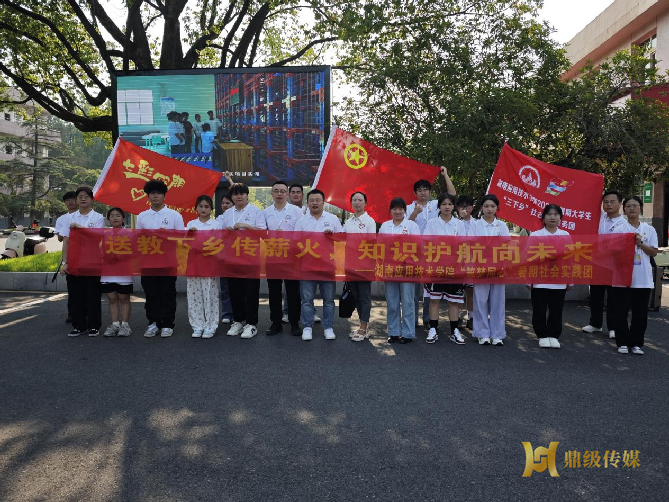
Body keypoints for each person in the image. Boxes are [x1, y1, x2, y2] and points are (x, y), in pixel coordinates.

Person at [406, 167, 456, 328]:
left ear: (429, 192)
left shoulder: (435, 205)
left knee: (429, 290)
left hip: (433, 253)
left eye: (425, 190)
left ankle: (428, 319)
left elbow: (452, 195)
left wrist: (445, 175)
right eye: (419, 190)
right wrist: (414, 213)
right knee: (414, 290)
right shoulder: (409, 207)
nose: (423, 193)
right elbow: (405, 226)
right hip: (414, 252)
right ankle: (412, 320)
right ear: (415, 192)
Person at [136, 180, 185, 338]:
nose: (155, 196)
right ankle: (153, 323)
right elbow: (138, 238)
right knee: (151, 293)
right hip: (147, 261)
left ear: (164, 196)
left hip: (168, 261)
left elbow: (181, 238)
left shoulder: (174, 215)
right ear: (148, 196)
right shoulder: (142, 216)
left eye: (159, 193)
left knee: (167, 293)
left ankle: (167, 323)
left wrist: (167, 235)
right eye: (152, 193)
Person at [610, 196, 658, 355]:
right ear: (624, 209)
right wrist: (627, 243)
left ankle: (636, 343)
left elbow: (654, 252)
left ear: (640, 208)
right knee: (621, 312)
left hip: (643, 278)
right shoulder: (619, 229)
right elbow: (612, 252)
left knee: (640, 313)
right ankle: (622, 342)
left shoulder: (649, 229)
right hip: (622, 278)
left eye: (635, 205)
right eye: (628, 206)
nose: (632, 208)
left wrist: (640, 244)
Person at [294, 189, 343, 341]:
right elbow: (295, 242)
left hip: (327, 266)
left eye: (317, 200)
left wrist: (332, 236)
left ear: (323, 202)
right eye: (311, 200)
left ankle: (328, 327)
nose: (314, 203)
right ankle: (307, 327)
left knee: (328, 300)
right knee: (306, 300)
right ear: (307, 203)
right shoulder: (302, 221)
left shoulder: (332, 219)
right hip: (307, 267)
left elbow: (342, 239)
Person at [220, 182, 267, 339]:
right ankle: (238, 321)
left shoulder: (256, 211)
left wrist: (247, 226)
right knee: (235, 291)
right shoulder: (227, 213)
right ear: (232, 197)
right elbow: (220, 235)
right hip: (232, 258)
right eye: (235, 194)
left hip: (250, 257)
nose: (239, 196)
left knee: (251, 291)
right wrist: (226, 231)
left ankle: (251, 324)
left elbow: (263, 233)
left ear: (247, 195)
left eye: (242, 193)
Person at [59, 186, 105, 337]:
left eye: (86, 196)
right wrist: (65, 262)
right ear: (77, 200)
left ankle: (94, 325)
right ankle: (79, 326)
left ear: (92, 199)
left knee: (93, 296)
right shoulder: (69, 218)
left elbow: (97, 237)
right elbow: (66, 241)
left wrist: (80, 228)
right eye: (80, 196)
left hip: (92, 262)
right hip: (75, 262)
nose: (83, 198)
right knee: (76, 296)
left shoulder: (98, 217)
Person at [423, 193, 467, 345]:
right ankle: (433, 329)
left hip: (454, 268)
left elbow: (463, 245)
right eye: (444, 204)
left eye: (449, 204)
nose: (447, 207)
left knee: (453, 301)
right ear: (439, 206)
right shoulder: (432, 223)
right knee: (434, 299)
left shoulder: (459, 224)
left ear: (454, 206)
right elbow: (426, 243)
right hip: (436, 267)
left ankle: (454, 331)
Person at [582, 191, 626, 339]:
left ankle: (613, 327)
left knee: (613, 298)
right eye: (605, 202)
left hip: (615, 266)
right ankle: (595, 323)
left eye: (612, 202)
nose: (608, 205)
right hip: (596, 264)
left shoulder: (624, 224)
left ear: (620, 203)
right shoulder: (599, 218)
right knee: (596, 296)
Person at [263, 181, 304, 336]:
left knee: (293, 291)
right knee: (274, 291)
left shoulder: (296, 211)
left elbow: (303, 231)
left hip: (292, 256)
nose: (279, 194)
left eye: (282, 191)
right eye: (276, 191)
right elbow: (261, 232)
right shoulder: (266, 212)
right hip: (272, 256)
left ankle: (294, 323)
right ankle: (276, 323)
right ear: (271, 194)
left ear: (287, 194)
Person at [527, 204, 571, 349]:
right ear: (543, 217)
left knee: (556, 310)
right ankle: (542, 335)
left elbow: (570, 259)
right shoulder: (536, 235)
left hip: (559, 280)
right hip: (540, 280)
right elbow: (528, 258)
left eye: (556, 214)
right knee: (539, 310)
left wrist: (570, 280)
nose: (552, 217)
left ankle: (553, 335)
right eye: (549, 214)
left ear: (560, 218)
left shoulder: (565, 235)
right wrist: (528, 279)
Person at [471, 194, 509, 346]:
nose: (489, 209)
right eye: (486, 206)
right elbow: (470, 246)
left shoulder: (502, 226)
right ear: (481, 207)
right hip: (480, 267)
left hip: (498, 268)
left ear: (497, 208)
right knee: (480, 301)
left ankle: (497, 334)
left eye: (492, 206)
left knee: (498, 301)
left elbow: (507, 247)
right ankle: (482, 333)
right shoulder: (475, 225)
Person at [380, 197, 420, 344]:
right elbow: (380, 246)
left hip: (407, 269)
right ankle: (393, 332)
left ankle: (408, 333)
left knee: (408, 302)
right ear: (390, 210)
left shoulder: (411, 225)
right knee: (392, 302)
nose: (397, 211)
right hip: (390, 269)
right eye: (394, 208)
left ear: (405, 210)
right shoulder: (385, 226)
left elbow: (418, 246)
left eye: (400, 208)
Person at [343, 191, 376, 342]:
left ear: (365, 203)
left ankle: (364, 326)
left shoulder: (369, 221)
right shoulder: (348, 221)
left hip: (364, 265)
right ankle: (362, 325)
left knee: (364, 296)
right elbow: (342, 239)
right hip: (350, 263)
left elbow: (371, 243)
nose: (357, 203)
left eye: (360, 200)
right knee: (355, 295)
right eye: (354, 200)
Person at [185, 195, 220, 338]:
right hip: (194, 264)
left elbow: (220, 244)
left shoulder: (216, 225)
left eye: (206, 206)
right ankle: (197, 325)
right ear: (196, 208)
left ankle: (211, 326)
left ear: (211, 209)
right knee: (194, 296)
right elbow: (184, 244)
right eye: (201, 206)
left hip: (210, 264)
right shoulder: (191, 224)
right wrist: (190, 234)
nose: (203, 209)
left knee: (210, 296)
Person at [101, 208, 133, 337]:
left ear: (123, 218)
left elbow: (135, 251)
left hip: (124, 271)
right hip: (108, 270)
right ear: (108, 219)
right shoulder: (105, 234)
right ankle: (114, 324)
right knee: (112, 298)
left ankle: (125, 325)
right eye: (112, 216)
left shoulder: (130, 234)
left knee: (124, 298)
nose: (115, 218)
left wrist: (121, 256)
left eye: (118, 215)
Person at [55, 191, 78, 324]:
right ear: (64, 203)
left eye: (73, 199)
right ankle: (72, 313)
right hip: (70, 254)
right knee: (72, 287)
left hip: (84, 254)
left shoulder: (83, 215)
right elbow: (60, 238)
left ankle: (85, 312)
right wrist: (67, 232)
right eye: (68, 200)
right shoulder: (62, 219)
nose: (71, 201)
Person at [457, 195, 477, 330]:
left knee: (470, 291)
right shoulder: (454, 222)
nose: (465, 209)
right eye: (462, 206)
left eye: (467, 206)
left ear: (472, 208)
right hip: (457, 262)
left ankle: (471, 317)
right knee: (458, 291)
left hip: (472, 262)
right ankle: (457, 317)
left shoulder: (477, 223)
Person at [215, 191, 234, 324]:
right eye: (223, 203)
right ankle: (227, 313)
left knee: (238, 287)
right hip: (223, 257)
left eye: (228, 203)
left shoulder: (237, 217)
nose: (225, 205)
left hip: (239, 256)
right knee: (225, 287)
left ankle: (239, 313)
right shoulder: (218, 219)